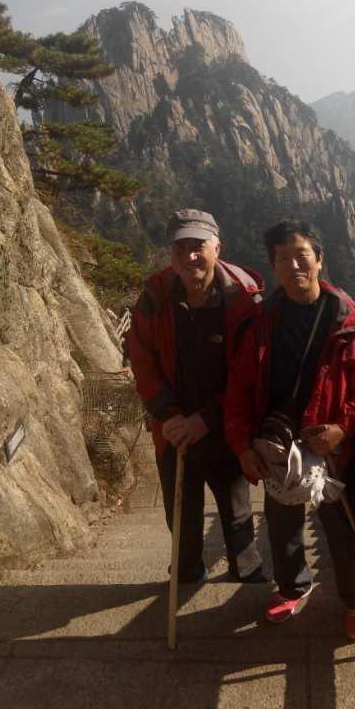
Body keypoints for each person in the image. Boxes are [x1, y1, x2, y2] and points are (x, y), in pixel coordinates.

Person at [225, 220, 355, 639]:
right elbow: (239, 387)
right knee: (281, 524)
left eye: (301, 255)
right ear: (274, 266)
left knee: (343, 526)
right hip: (278, 444)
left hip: (332, 446)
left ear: (319, 259)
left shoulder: (348, 322)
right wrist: (242, 445)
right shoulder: (264, 321)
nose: (294, 264)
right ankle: (292, 586)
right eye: (283, 258)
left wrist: (342, 428)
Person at [129, 209, 265, 584]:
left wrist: (205, 420)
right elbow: (142, 358)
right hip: (174, 429)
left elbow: (250, 374)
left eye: (198, 246)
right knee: (181, 514)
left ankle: (247, 572)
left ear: (216, 248)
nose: (190, 256)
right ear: (171, 253)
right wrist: (169, 415)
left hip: (227, 426)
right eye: (181, 247)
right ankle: (187, 571)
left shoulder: (243, 300)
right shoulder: (156, 296)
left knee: (237, 511)